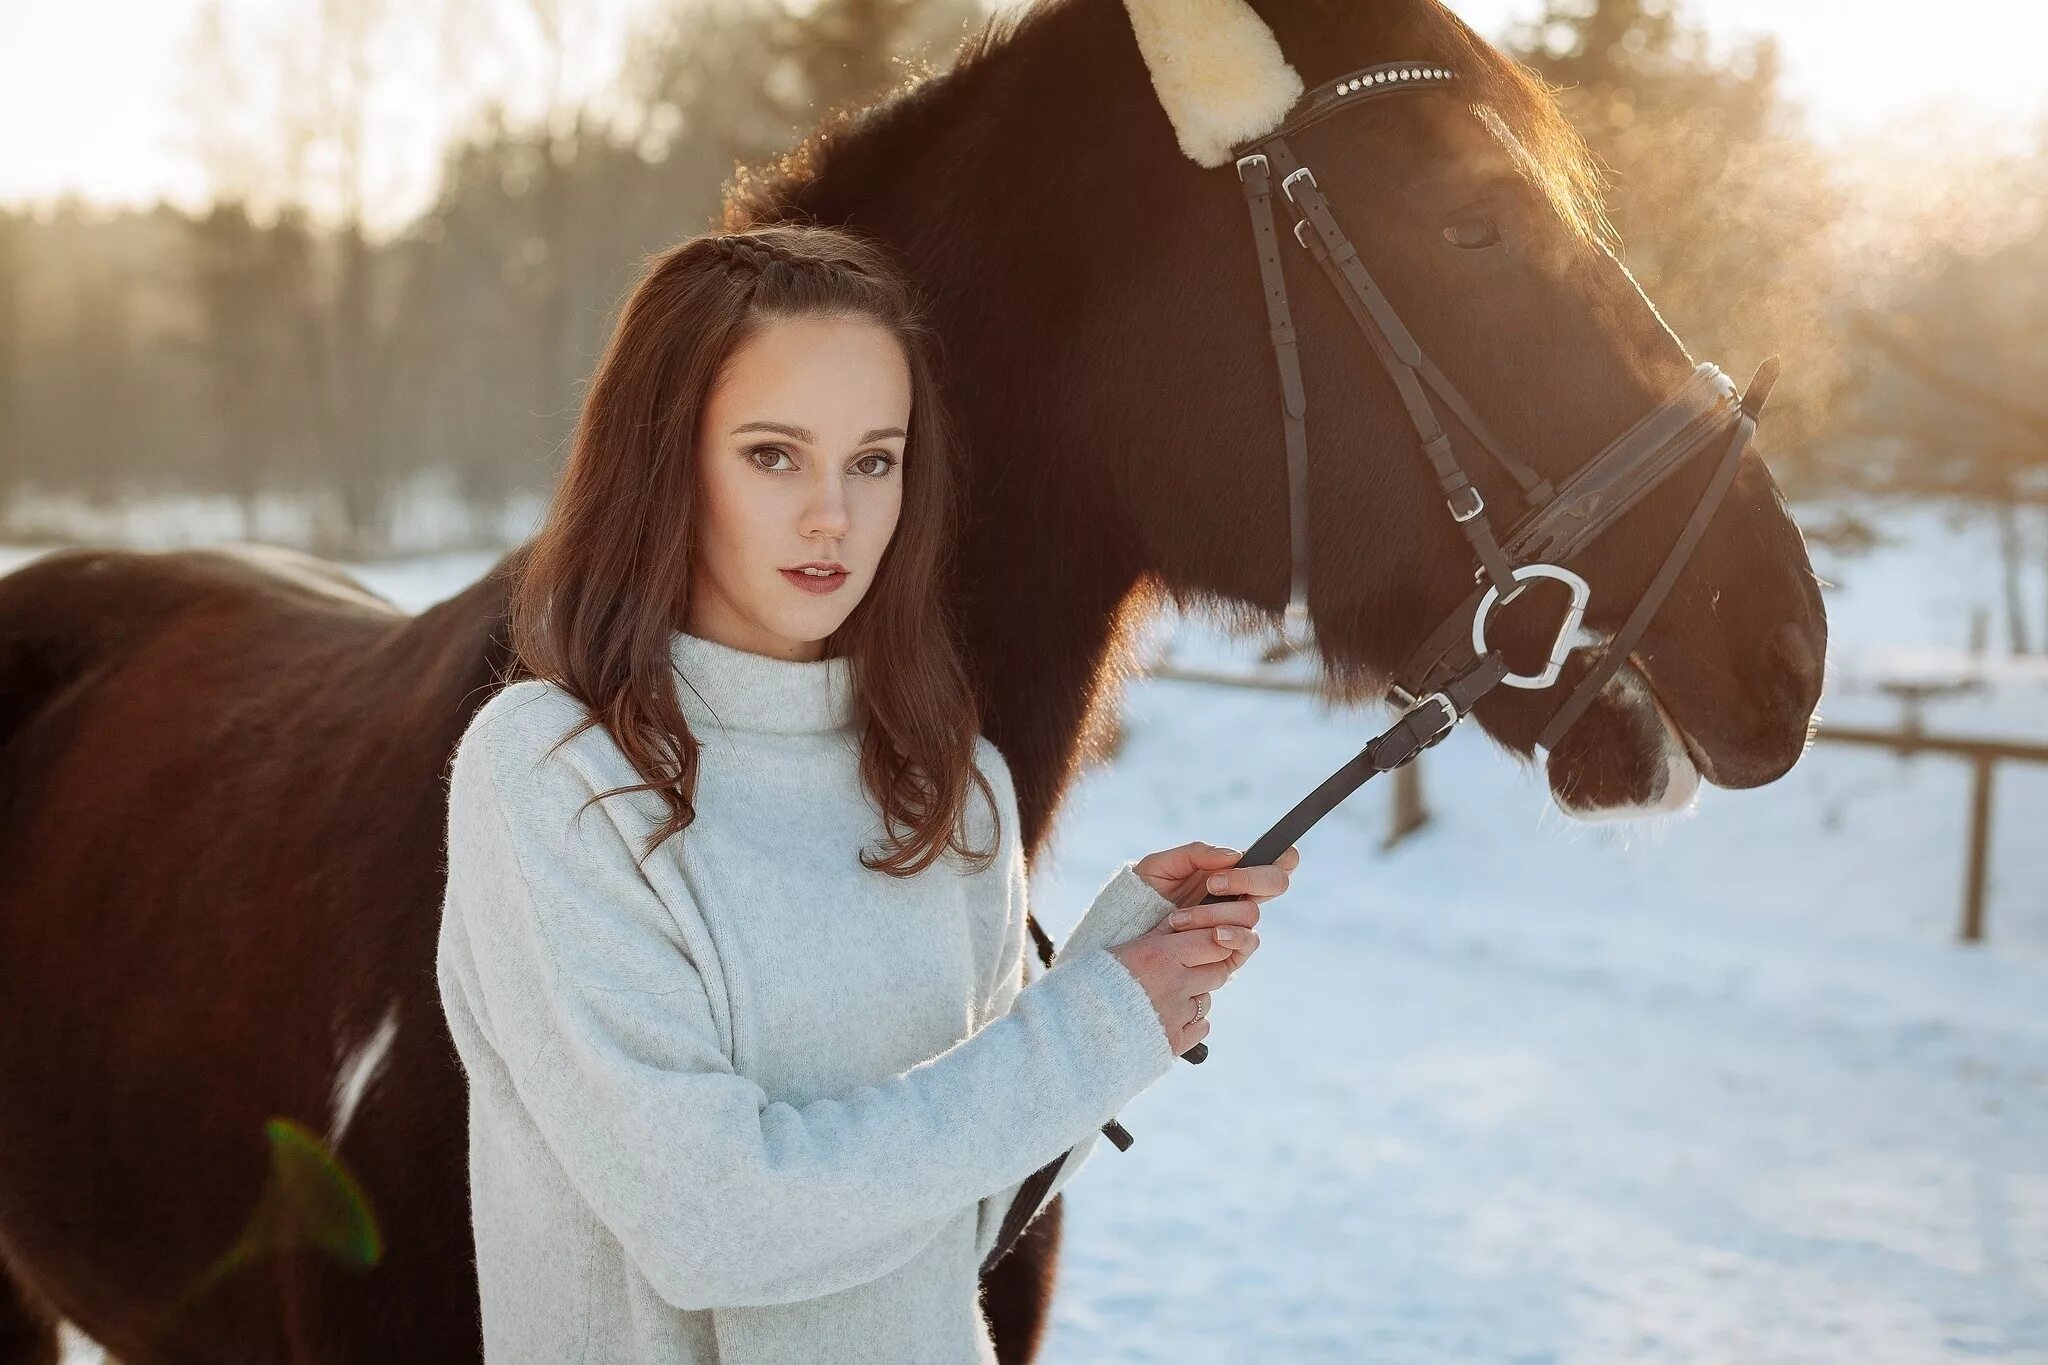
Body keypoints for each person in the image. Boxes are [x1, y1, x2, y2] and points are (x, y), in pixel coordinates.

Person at [434, 222, 1299, 1364]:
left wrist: (1122, 971)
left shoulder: (950, 787)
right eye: (773, 455)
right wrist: (1090, 1027)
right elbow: (711, 1225)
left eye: (873, 459)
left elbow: (952, 1211)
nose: (832, 516)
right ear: (664, 459)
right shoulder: (551, 778)